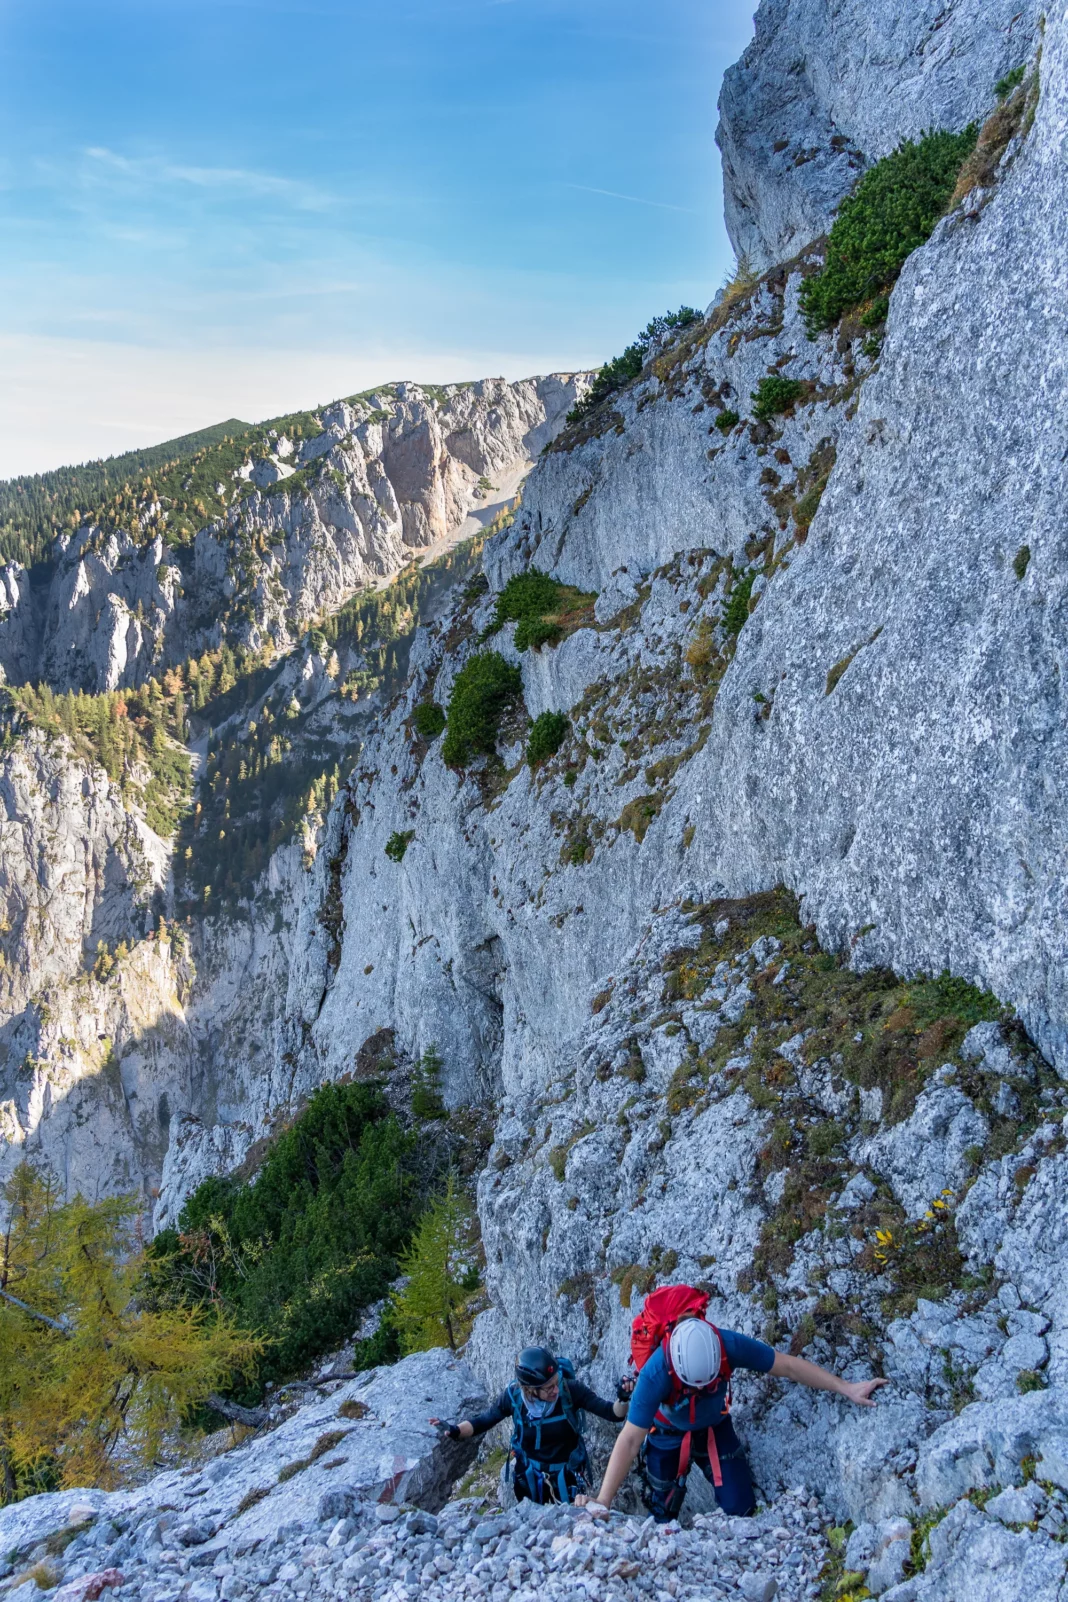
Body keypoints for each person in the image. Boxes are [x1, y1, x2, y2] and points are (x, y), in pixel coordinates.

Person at [577, 1316, 886, 1521]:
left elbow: (788, 1366)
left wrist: (845, 1387)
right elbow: (630, 1439)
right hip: (666, 1433)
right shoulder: (656, 1372)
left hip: (714, 1427)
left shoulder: (727, 1345)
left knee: (741, 1509)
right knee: (662, 1511)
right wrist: (604, 1499)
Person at [432, 1345, 631, 1505]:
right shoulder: (514, 1397)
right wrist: (456, 1430)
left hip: (567, 1478)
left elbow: (612, 1413)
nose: (555, 1390)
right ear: (529, 1389)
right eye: (548, 1388)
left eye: (556, 1382)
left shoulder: (570, 1391)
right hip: (528, 1479)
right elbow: (484, 1421)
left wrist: (623, 1399)